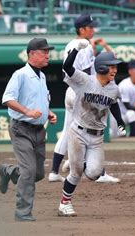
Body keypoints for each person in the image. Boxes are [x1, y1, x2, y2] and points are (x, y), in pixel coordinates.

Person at [48, 14, 120, 184]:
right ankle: (99, 172)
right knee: (91, 129)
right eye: (90, 27)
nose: (93, 30)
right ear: (82, 29)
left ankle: (53, 171)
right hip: (82, 93)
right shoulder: (85, 45)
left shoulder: (71, 44)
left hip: (71, 91)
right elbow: (87, 73)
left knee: (69, 131)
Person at [57, 39, 126, 217]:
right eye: (111, 66)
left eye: (115, 67)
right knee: (76, 173)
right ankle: (65, 204)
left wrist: (120, 122)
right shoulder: (85, 80)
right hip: (78, 132)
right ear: (102, 67)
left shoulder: (114, 89)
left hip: (97, 137)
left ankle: (76, 160)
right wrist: (75, 50)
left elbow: (113, 104)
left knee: (94, 174)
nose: (115, 70)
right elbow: (67, 68)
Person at [0, 38, 57, 222]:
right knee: (30, 171)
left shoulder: (42, 76)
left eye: (48, 51)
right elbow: (7, 99)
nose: (48, 55)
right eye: (44, 51)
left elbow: (37, 101)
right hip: (21, 129)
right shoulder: (20, 74)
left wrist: (48, 113)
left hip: (39, 130)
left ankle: (9, 171)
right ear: (32, 53)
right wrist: (27, 111)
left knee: (37, 173)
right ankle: (22, 212)